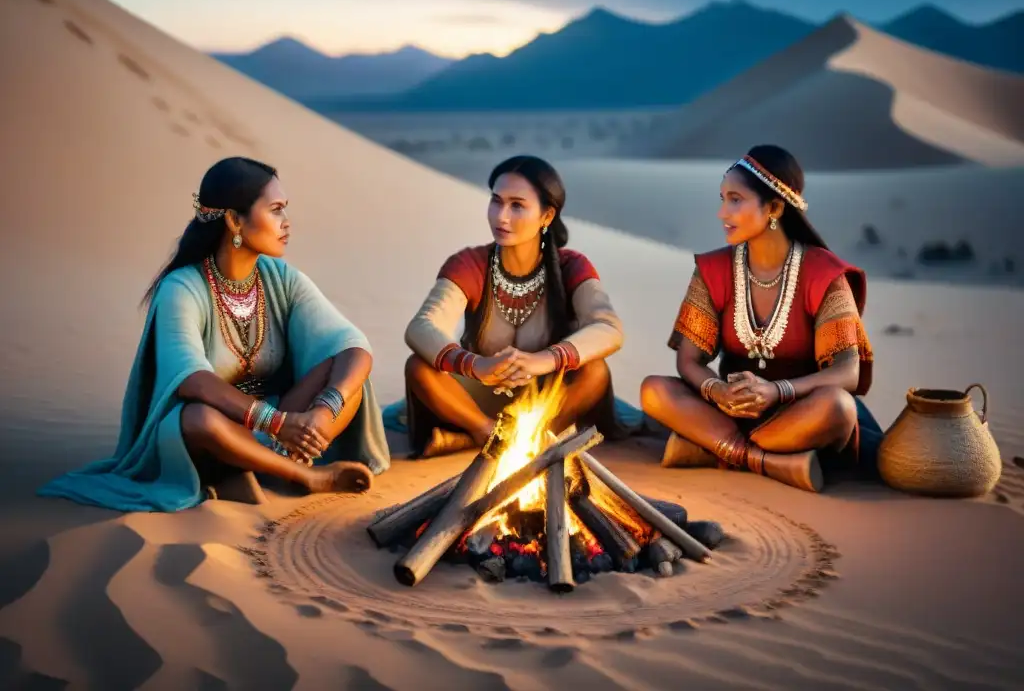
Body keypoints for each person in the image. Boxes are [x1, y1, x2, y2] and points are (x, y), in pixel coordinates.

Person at [38, 157, 390, 511]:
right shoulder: (183, 287)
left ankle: (256, 465)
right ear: (235, 220)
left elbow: (353, 346)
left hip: (282, 427)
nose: (287, 223)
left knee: (348, 381)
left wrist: (322, 414)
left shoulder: (280, 277)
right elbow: (192, 380)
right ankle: (306, 476)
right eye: (276, 210)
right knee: (196, 418)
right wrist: (277, 423)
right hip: (224, 432)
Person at [640, 145, 875, 492]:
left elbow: (847, 373)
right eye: (722, 198)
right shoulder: (713, 270)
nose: (722, 212)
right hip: (731, 412)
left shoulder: (823, 275)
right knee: (653, 391)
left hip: (799, 413)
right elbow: (688, 360)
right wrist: (717, 391)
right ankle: (767, 461)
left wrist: (775, 392)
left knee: (839, 408)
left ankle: (716, 451)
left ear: (775, 207)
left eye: (735, 200)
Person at [403, 155, 624, 457]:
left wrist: (545, 360)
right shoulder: (471, 264)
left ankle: (530, 435)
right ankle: (485, 433)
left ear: (547, 216)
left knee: (595, 371)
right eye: (496, 201)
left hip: (548, 397)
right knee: (418, 366)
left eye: (517, 205)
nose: (501, 217)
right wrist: (476, 365)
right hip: (479, 394)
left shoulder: (572, 265)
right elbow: (421, 328)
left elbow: (609, 328)